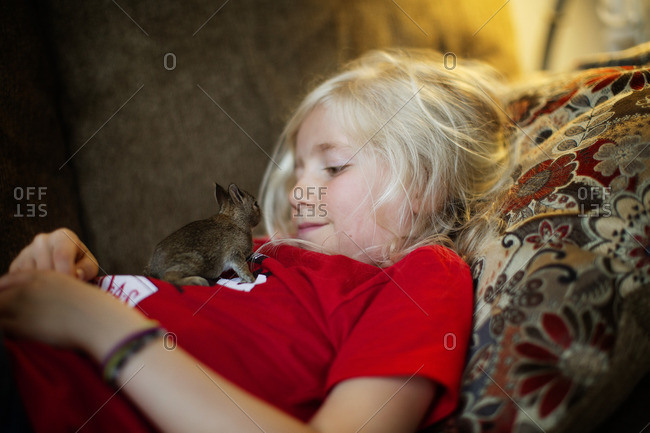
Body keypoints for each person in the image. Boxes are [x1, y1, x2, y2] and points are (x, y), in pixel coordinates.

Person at [0, 49, 512, 433]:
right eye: (299, 168)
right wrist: (87, 278)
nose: (298, 190)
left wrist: (101, 326)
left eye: (333, 166)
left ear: (423, 186)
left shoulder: (420, 278)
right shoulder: (268, 249)